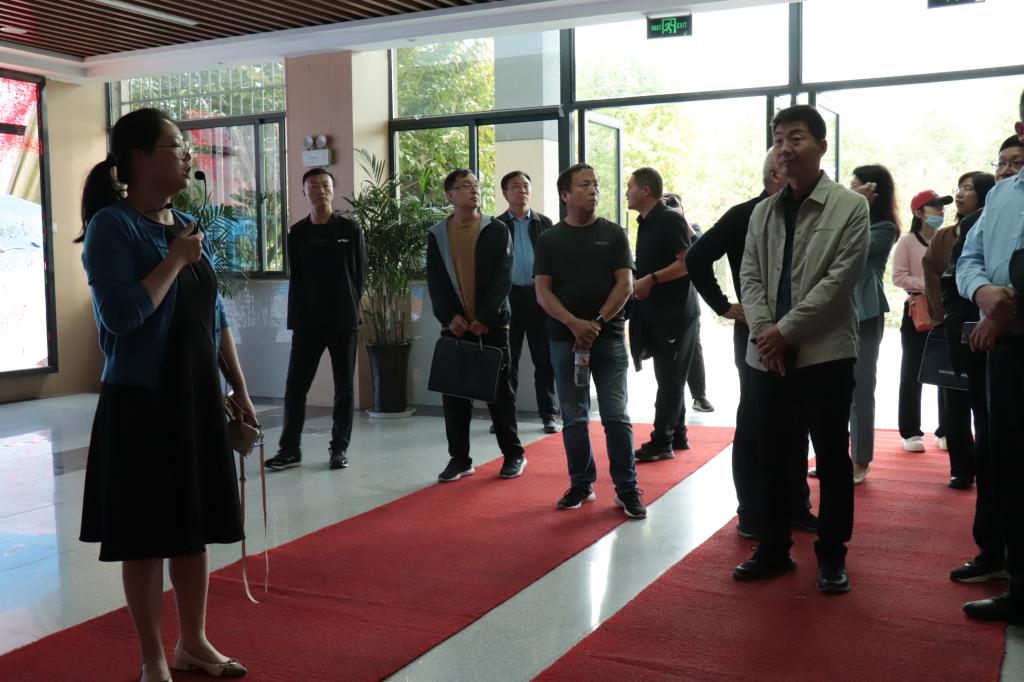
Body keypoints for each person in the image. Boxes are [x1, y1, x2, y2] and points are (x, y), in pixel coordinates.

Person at [77, 108, 251, 682]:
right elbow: (122, 315)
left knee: (192, 529)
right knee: (146, 535)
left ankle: (193, 643)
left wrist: (239, 389)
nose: (187, 155)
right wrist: (175, 260)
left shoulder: (187, 223)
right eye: (176, 145)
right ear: (139, 158)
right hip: (143, 402)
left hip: (196, 397)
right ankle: (153, 655)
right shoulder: (112, 227)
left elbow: (215, 316)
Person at [734, 105, 869, 594]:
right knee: (771, 453)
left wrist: (784, 332)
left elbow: (838, 283)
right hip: (767, 355)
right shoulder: (763, 211)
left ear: (821, 146)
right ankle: (774, 548)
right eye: (778, 139)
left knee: (831, 457)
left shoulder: (850, 207)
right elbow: (750, 275)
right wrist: (765, 332)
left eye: (795, 138)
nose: (784, 149)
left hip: (824, 353)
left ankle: (832, 555)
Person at [686, 151, 815, 538]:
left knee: (797, 421)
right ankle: (752, 512)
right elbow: (696, 257)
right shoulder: (745, 214)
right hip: (756, 329)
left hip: (798, 330)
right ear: (775, 174)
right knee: (756, 422)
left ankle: (795, 505)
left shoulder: (804, 214)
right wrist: (724, 306)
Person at [534, 163, 646, 519]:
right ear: (565, 195)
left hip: (608, 339)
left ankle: (627, 488)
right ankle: (582, 483)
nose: (593, 190)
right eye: (584, 185)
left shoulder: (613, 234)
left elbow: (625, 285)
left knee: (616, 415)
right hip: (564, 341)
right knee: (573, 417)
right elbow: (542, 292)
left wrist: (595, 322)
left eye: (595, 184)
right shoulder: (549, 239)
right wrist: (573, 323)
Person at [957, 98, 1024, 622]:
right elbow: (969, 258)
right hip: (1007, 352)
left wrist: (1007, 310)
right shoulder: (1001, 195)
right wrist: (983, 294)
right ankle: (1018, 584)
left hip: (1007, 331)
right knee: (1008, 464)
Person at [426, 169, 527, 482]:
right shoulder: (437, 234)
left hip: (492, 325)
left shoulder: (495, 229)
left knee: (499, 393)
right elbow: (436, 282)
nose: (473, 190)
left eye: (476, 185)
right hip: (455, 327)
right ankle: (459, 459)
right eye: (465, 186)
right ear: (450, 195)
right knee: (455, 395)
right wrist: (449, 317)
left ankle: (513, 454)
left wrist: (484, 317)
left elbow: (503, 277)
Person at [266, 168, 367, 472]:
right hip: (307, 322)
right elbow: (296, 278)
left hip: (342, 321)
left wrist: (350, 306)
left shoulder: (350, 230)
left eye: (325, 185)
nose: (320, 190)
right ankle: (289, 449)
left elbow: (360, 275)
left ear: (333, 190)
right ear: (304, 192)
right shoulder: (297, 233)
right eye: (313, 186)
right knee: (295, 387)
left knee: (344, 387)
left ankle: (339, 448)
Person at [940, 170, 998, 583]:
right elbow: (957, 271)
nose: (1008, 169)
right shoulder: (982, 219)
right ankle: (993, 550)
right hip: (978, 342)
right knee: (991, 447)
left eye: (1017, 161)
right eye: (1003, 162)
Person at [626, 168, 699, 461]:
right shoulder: (646, 222)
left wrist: (651, 279)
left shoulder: (669, 218)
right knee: (668, 376)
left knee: (670, 378)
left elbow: (687, 263)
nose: (627, 192)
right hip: (656, 311)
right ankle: (677, 434)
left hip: (676, 313)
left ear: (645, 190)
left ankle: (661, 442)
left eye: (630, 187)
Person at [923, 172, 988, 489]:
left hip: (986, 323)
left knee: (984, 403)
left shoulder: (993, 228)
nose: (960, 194)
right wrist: (941, 316)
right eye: (959, 188)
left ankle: (987, 464)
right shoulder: (945, 235)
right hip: (952, 324)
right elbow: (932, 275)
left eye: (968, 189)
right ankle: (961, 467)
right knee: (953, 399)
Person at [844, 165, 899, 485]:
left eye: (857, 186)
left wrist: (859, 208)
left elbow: (855, 246)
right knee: (833, 390)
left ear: (874, 192)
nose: (851, 191)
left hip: (865, 312)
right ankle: (834, 457)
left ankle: (860, 459)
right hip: (834, 312)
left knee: (861, 389)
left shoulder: (885, 228)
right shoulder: (846, 217)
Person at [495, 170, 561, 434]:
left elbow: (555, 262)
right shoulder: (497, 226)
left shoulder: (544, 223)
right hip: (509, 299)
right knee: (507, 362)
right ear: (505, 193)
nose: (522, 190)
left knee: (544, 360)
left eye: (526, 186)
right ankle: (504, 417)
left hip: (539, 298)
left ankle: (549, 415)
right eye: (516, 186)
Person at [893, 189, 950, 453]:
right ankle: (910, 431)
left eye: (942, 206)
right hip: (917, 311)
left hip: (943, 312)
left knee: (945, 372)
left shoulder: (945, 239)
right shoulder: (907, 242)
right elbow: (898, 277)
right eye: (935, 206)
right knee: (912, 372)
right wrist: (929, 284)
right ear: (919, 213)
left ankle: (946, 430)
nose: (940, 211)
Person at [664, 192, 713, 413]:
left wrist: (683, 221)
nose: (671, 209)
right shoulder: (661, 229)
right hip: (666, 300)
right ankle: (672, 402)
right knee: (669, 356)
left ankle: (699, 395)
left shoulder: (691, 227)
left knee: (695, 348)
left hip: (688, 300)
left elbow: (702, 250)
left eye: (675, 204)